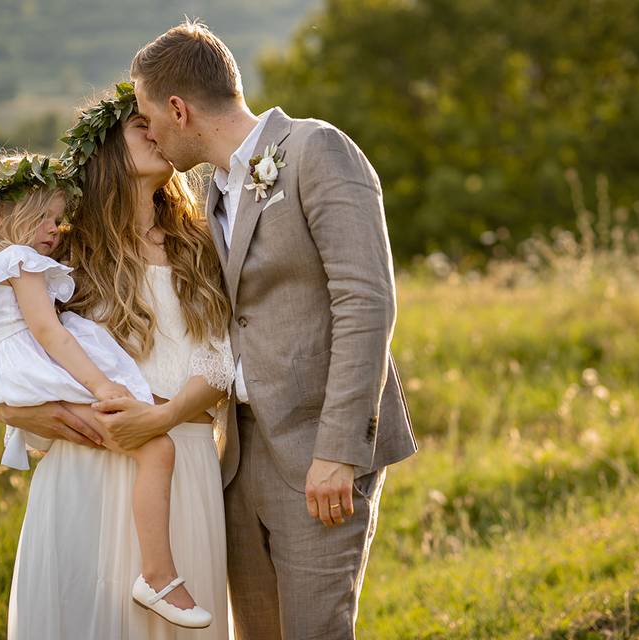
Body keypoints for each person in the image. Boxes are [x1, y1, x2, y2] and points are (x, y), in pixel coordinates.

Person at [122, 20, 418, 638]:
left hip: (319, 449)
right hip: (240, 454)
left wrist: (338, 450)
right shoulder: (209, 195)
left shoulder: (317, 149)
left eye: (148, 116)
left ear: (178, 108)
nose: (147, 131)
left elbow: (366, 303)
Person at [0, 87, 233, 639]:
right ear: (104, 146)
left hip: (178, 460)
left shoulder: (201, 243)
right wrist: (14, 412)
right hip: (89, 456)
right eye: (141, 123)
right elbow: (0, 339)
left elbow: (221, 360)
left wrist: (161, 419)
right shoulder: (63, 250)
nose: (160, 129)